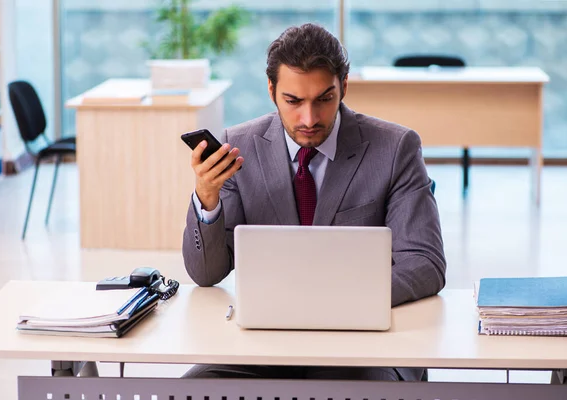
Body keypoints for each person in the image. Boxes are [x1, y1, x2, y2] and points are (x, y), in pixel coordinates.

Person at [181, 23, 446, 381]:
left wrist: (336, 304)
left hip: (363, 346)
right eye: (293, 101)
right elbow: (206, 273)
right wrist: (207, 197)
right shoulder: (238, 148)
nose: (309, 119)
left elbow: (425, 262)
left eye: (324, 99)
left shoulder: (395, 148)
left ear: (344, 87)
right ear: (272, 90)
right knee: (195, 387)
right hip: (264, 346)